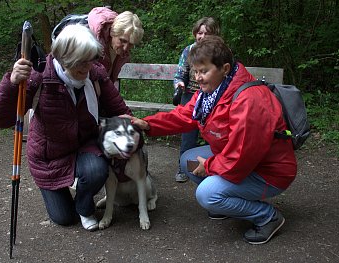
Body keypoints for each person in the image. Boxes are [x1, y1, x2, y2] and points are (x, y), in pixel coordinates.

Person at [124, 36, 297, 244]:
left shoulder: (249, 100)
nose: (198, 77)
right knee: (187, 160)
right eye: (195, 71)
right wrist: (148, 124)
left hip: (268, 171)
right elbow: (184, 116)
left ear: (224, 68)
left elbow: (241, 156)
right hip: (243, 162)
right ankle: (229, 204)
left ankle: (268, 217)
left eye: (204, 71)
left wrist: (210, 166)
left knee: (207, 194)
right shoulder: (212, 93)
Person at [0, 24, 132, 231]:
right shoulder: (39, 76)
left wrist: (129, 138)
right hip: (49, 156)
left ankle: (84, 206)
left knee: (96, 170)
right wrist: (11, 83)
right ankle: (65, 193)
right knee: (64, 218)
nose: (86, 68)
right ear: (63, 60)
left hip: (85, 146)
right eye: (80, 63)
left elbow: (121, 111)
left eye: (90, 60)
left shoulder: (95, 74)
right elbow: (0, 119)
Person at [173, 17, 220, 183]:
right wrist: (179, 83)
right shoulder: (189, 51)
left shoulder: (219, 52)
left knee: (215, 135)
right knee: (188, 135)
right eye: (200, 33)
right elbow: (180, 73)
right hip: (190, 95)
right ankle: (185, 167)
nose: (202, 36)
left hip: (214, 96)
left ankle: (214, 169)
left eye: (207, 33)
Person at [88, 7, 144, 88]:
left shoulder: (121, 53)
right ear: (112, 32)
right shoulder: (94, 45)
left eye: (131, 44)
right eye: (123, 41)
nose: (125, 48)